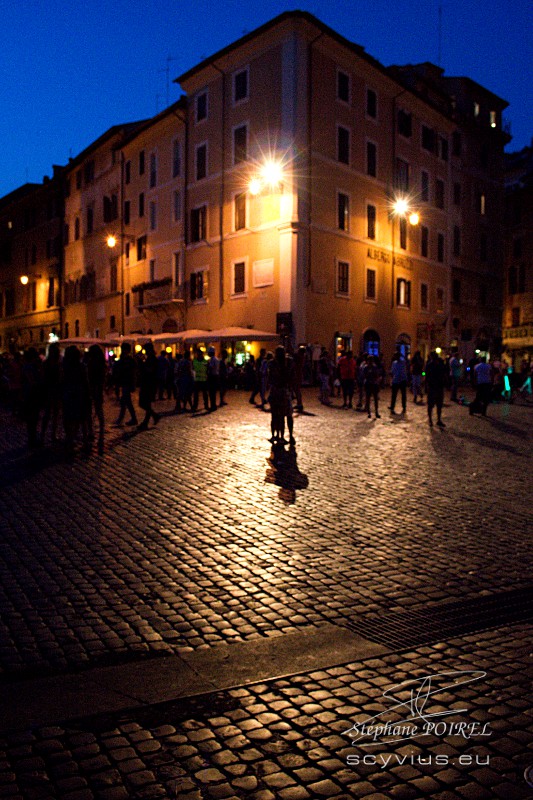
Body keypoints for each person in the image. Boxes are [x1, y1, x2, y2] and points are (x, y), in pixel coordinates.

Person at [62, 345, 91, 454]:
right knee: (82, 418)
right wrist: (88, 395)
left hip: (69, 394)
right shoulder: (81, 366)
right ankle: (84, 440)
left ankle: (70, 439)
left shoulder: (65, 367)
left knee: (70, 419)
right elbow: (85, 381)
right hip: (79, 394)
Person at [267, 345, 295, 444]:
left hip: (276, 390)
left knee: (276, 415)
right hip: (283, 390)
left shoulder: (273, 363)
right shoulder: (287, 362)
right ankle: (284, 436)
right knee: (285, 415)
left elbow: (270, 378)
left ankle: (277, 435)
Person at [21, 347, 43, 448]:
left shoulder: (30, 366)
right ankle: (32, 438)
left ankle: (32, 437)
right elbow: (32, 381)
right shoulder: (28, 367)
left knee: (33, 418)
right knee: (32, 417)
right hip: (31, 394)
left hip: (30, 393)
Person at [87, 344, 107, 454]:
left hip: (93, 388)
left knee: (91, 411)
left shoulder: (91, 364)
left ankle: (91, 431)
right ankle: (101, 432)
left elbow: (89, 377)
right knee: (99, 411)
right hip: (98, 388)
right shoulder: (101, 364)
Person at [40, 343, 61, 445]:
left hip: (50, 390)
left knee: (49, 414)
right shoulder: (54, 364)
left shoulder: (46, 363)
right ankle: (50, 434)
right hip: (52, 390)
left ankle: (45, 435)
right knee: (52, 414)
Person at [137, 343, 160, 430]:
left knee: (144, 403)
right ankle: (152, 417)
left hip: (149, 383)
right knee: (145, 403)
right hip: (147, 382)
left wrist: (141, 363)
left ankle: (148, 420)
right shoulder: (149, 358)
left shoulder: (152, 359)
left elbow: (149, 370)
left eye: (146, 350)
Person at [114, 342, 138, 426]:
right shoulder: (125, 359)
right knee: (124, 402)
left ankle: (132, 419)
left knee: (127, 401)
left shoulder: (129, 360)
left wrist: (133, 384)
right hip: (124, 382)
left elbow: (132, 373)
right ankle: (121, 418)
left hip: (127, 383)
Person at [425, 351, 447, 427]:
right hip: (434, 386)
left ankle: (435, 420)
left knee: (437, 404)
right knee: (433, 404)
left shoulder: (433, 364)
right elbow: (426, 374)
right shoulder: (431, 365)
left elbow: (426, 374)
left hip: (436, 386)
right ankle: (433, 420)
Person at [390, 349, 408, 414]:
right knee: (394, 395)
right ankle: (392, 407)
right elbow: (392, 372)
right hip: (396, 380)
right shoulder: (394, 363)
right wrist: (391, 380)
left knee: (403, 395)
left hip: (402, 380)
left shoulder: (403, 362)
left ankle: (404, 406)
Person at [206, 346, 220, 412]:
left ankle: (213, 405)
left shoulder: (213, 359)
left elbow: (211, 367)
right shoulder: (216, 359)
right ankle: (213, 405)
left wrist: (207, 365)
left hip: (212, 376)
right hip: (215, 376)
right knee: (213, 392)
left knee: (212, 392)